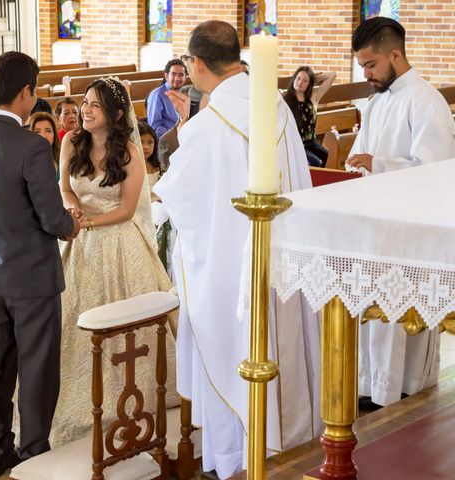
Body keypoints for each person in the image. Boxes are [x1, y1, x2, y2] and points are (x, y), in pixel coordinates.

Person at [153, 21, 321, 478]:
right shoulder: (277, 107)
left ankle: (233, 458)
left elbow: (176, 198)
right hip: (283, 255)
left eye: (187, 61)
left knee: (236, 352)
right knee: (279, 344)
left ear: (198, 63)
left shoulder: (211, 124)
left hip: (233, 270)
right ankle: (289, 442)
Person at [0, 51, 79, 479]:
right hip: (34, 276)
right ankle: (34, 453)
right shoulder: (31, 145)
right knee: (37, 368)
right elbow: (51, 218)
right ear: (27, 92)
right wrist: (72, 225)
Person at [51, 77, 176, 446]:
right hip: (81, 244)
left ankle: (132, 393)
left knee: (126, 325)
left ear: (117, 114)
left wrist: (86, 221)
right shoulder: (71, 142)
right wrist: (73, 209)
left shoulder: (129, 153)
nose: (85, 110)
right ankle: (79, 396)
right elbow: (64, 187)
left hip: (119, 243)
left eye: (95, 105)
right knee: (77, 318)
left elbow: (124, 210)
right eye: (85, 102)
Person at [345, 17, 455, 408]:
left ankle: (402, 392)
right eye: (362, 67)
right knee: (371, 317)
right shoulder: (376, 103)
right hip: (374, 228)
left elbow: (436, 173)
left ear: (395, 54)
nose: (366, 74)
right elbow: (362, 157)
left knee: (399, 320)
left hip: (410, 235)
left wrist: (379, 164)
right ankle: (369, 388)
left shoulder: (426, 102)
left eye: (371, 65)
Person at [283, 66, 336, 167]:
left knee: (329, 156)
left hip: (312, 144)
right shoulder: (284, 101)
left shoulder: (313, 98)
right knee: (315, 162)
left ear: (309, 84)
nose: (300, 82)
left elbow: (332, 75)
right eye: (298, 78)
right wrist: (307, 77)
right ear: (294, 78)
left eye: (305, 81)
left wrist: (311, 75)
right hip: (295, 145)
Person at [146, 59, 187, 137]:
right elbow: (155, 127)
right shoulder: (157, 95)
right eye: (174, 74)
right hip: (167, 141)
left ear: (185, 77)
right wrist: (176, 135)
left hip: (183, 136)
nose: (177, 78)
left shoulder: (185, 94)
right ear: (166, 75)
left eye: (181, 75)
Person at [27, 112, 60, 179]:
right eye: (37, 132)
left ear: (54, 135)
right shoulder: (23, 164)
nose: (43, 136)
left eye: (48, 131)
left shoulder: (62, 160)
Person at [137, 121, 161, 196]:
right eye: (141, 142)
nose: (146, 147)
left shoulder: (158, 166)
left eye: (150, 142)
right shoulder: (130, 169)